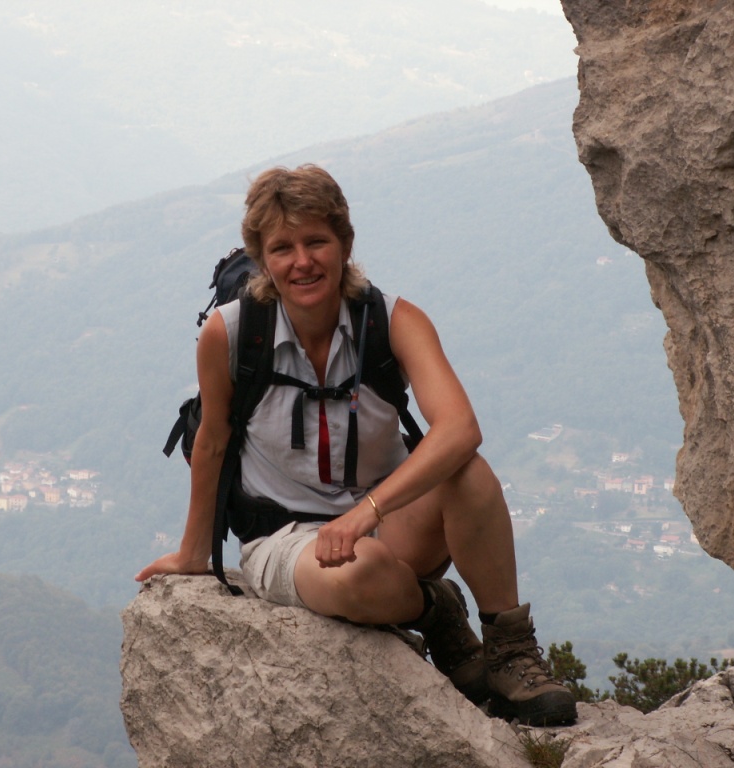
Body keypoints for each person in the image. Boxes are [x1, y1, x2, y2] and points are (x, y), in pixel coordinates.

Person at [136, 164, 576, 726]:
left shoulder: (393, 321)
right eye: (282, 248)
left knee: (468, 471)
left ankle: (510, 651)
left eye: (316, 241)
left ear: (344, 244)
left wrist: (367, 512)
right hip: (285, 537)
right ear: (263, 259)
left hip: (386, 519)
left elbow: (460, 428)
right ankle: (436, 611)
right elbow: (213, 442)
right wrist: (193, 556)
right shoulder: (231, 332)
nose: (302, 261)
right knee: (356, 573)